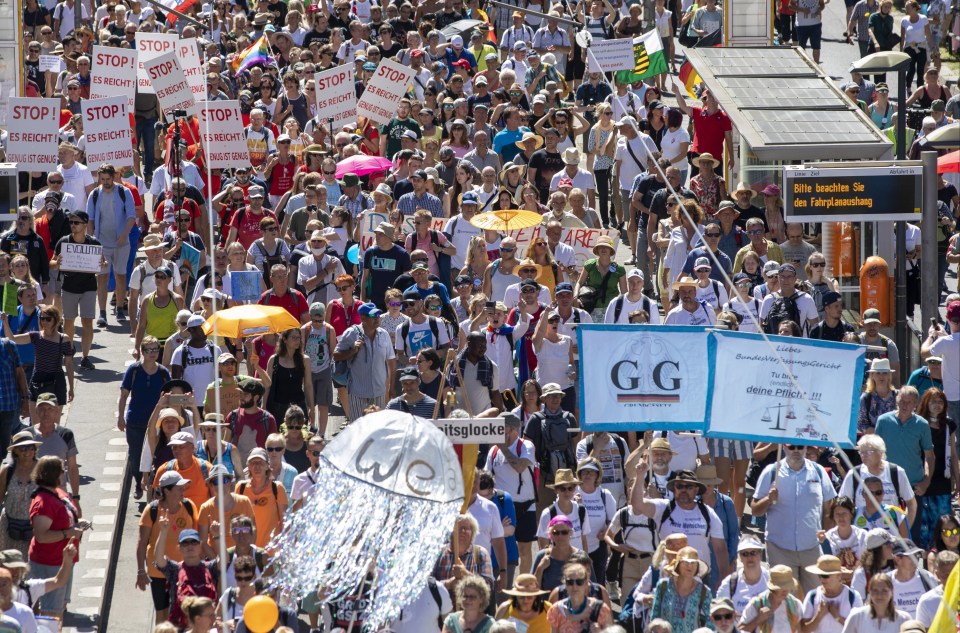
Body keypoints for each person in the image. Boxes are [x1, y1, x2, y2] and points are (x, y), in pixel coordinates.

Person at [752, 444, 837, 594]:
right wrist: (768, 499)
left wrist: (827, 534)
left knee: (816, 599)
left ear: (806, 449)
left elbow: (829, 508)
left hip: (812, 548)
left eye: (800, 447)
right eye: (792, 447)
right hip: (779, 549)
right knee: (785, 604)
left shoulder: (819, 471)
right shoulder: (771, 472)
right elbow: (755, 509)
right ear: (784, 448)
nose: (796, 451)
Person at [630, 463, 731, 587]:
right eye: (679, 486)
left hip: (699, 576)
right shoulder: (663, 508)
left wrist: (723, 577)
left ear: (696, 490)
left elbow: (720, 548)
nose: (683, 490)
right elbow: (637, 504)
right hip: (667, 575)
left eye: (688, 486)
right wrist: (640, 476)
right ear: (674, 489)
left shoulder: (707, 513)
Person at [28, 455, 87, 619]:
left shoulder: (59, 493)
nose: (64, 473)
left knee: (59, 607)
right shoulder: (43, 502)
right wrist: (69, 533)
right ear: (54, 474)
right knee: (50, 612)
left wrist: (78, 523)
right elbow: (41, 536)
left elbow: (65, 518)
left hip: (64, 560)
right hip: (49, 562)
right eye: (62, 470)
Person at [136, 470, 198, 624]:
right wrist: (141, 571)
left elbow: (197, 538)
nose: (183, 491)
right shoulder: (152, 510)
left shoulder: (189, 506)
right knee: (162, 613)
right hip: (158, 572)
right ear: (166, 491)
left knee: (184, 611)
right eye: (179, 488)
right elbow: (142, 542)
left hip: (184, 570)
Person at [333, 302, 396, 421]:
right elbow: (336, 356)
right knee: (358, 429)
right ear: (363, 318)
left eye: (378, 314)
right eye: (373, 316)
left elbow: (392, 361)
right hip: (357, 392)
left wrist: (391, 387)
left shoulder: (384, 334)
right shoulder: (351, 333)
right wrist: (352, 350)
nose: (377, 318)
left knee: (378, 429)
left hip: (379, 392)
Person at [153, 519, 219, 630]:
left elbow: (224, 560)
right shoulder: (175, 569)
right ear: (179, 548)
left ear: (200, 545)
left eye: (194, 542)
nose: (190, 546)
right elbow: (159, 559)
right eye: (185, 543)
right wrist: (163, 531)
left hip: (207, 626)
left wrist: (217, 536)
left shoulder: (209, 567)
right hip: (181, 627)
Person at [649, 546, 713, 633]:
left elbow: (711, 623)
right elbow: (654, 618)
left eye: (694, 563)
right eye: (685, 562)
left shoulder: (704, 592)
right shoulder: (663, 586)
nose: (690, 566)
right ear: (678, 565)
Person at [234, 447, 287, 548]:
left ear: (267, 466)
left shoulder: (277, 488)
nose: (257, 466)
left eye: (260, 462)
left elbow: (284, 520)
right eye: (253, 462)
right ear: (248, 466)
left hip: (271, 550)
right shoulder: (240, 487)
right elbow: (236, 519)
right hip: (247, 550)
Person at [0, 433, 41, 557]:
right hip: (9, 527)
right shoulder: (7, 470)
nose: (27, 451)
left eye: (30, 447)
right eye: (23, 448)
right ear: (15, 451)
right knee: (10, 565)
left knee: (32, 565)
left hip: (36, 527)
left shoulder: (42, 469)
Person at [739, 565, 803, 633]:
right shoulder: (757, 603)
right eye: (782, 587)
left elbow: (801, 629)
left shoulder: (795, 604)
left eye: (788, 587)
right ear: (773, 588)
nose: (786, 591)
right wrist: (758, 619)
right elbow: (741, 628)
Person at [839, 574, 911, 633]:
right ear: (869, 592)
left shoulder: (903, 619)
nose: (879, 595)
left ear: (892, 592)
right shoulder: (857, 616)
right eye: (875, 590)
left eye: (884, 591)